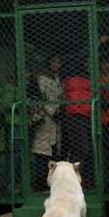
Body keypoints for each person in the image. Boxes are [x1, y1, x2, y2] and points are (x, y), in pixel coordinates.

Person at [31, 55, 63, 190]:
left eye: (59, 62)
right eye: (54, 61)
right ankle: (40, 182)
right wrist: (52, 111)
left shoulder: (58, 79)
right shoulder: (41, 79)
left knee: (54, 149)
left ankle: (52, 182)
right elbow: (40, 99)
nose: (57, 64)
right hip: (45, 118)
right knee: (41, 150)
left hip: (56, 120)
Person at [62, 52, 93, 187]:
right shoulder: (73, 77)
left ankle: (76, 177)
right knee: (81, 149)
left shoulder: (88, 78)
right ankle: (71, 178)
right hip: (75, 114)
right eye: (87, 62)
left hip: (84, 114)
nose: (89, 65)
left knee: (81, 149)